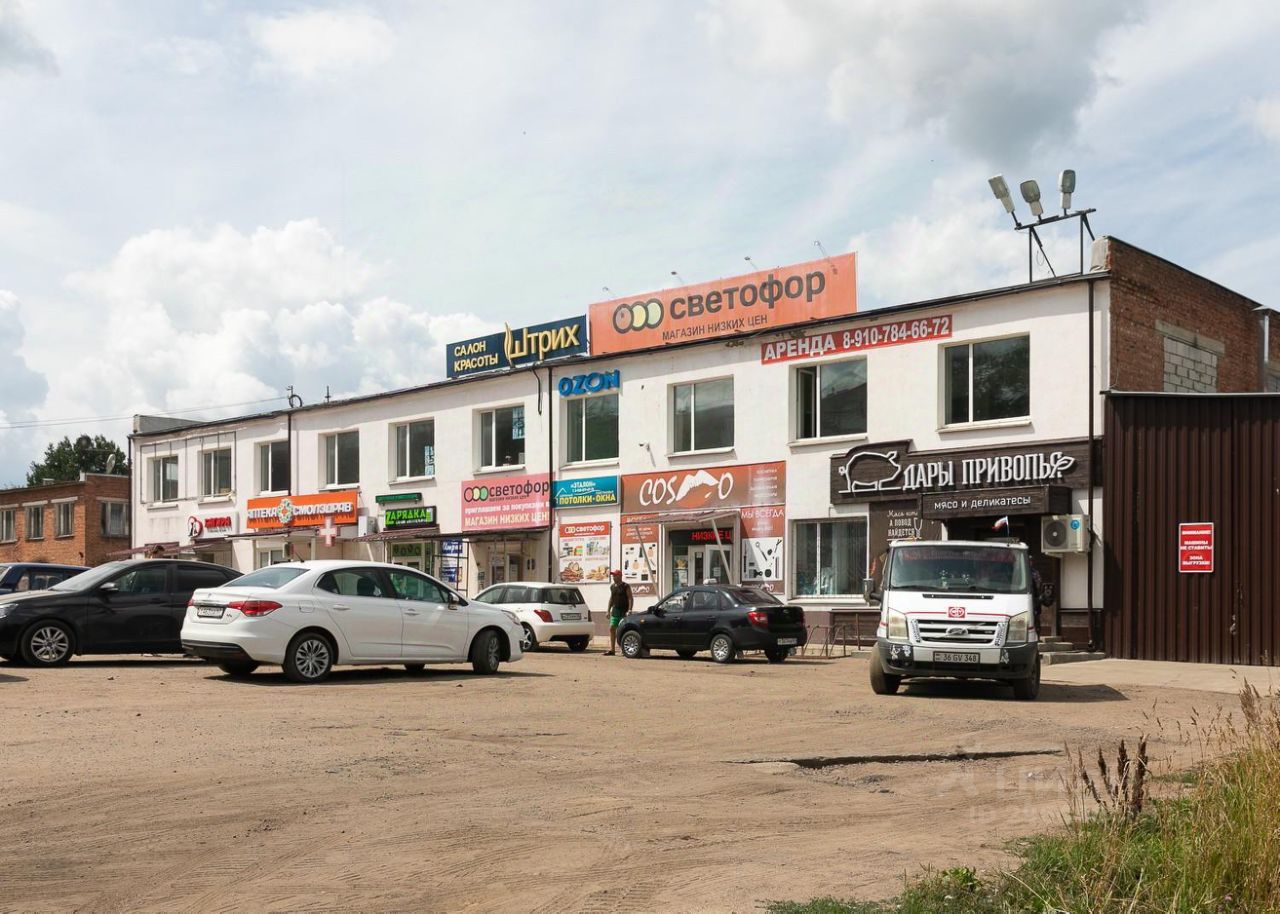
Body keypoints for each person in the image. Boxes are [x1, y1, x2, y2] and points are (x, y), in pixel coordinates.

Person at [605, 569, 633, 656]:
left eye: (615, 575)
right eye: (613, 576)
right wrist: (608, 610)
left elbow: (630, 598)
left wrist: (630, 610)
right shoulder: (612, 587)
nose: (613, 577)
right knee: (612, 628)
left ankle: (623, 649)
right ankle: (612, 649)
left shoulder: (625, 586)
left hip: (624, 611)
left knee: (622, 629)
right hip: (615, 611)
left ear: (620, 576)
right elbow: (611, 599)